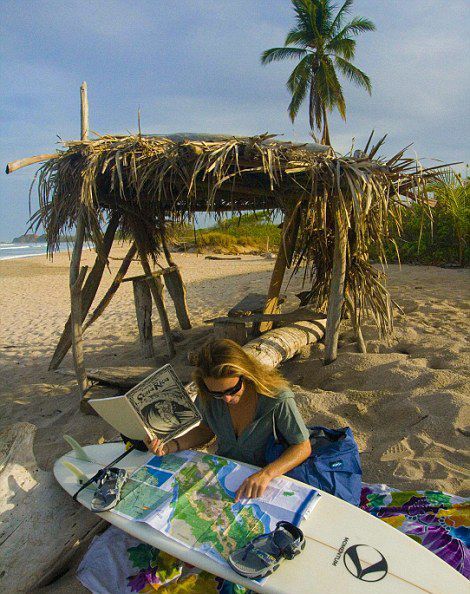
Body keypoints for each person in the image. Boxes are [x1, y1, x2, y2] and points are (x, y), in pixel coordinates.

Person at [144, 338, 311, 502]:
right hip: (225, 473)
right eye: (217, 393)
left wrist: (266, 474)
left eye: (233, 390)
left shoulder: (276, 397)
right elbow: (205, 430)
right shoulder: (207, 394)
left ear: (246, 374)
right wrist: (172, 445)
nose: (226, 399)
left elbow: (302, 446)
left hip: (265, 481)